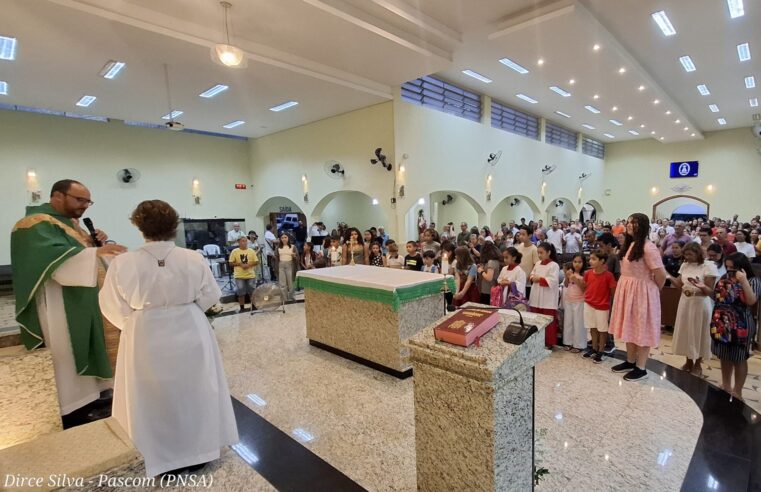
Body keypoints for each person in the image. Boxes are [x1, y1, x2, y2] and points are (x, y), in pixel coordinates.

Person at [99, 200, 237, 477]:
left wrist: (136, 322)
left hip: (144, 332)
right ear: (175, 226)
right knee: (195, 388)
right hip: (190, 325)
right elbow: (211, 294)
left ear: (138, 226)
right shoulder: (192, 258)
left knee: (150, 394)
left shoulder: (123, 262)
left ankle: (158, 454)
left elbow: (111, 304)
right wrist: (187, 312)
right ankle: (200, 449)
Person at [11, 179, 125, 419]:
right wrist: (94, 252)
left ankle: (94, 396)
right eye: (79, 199)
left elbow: (84, 254)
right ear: (58, 196)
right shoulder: (33, 224)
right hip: (59, 301)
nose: (84, 206)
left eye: (87, 201)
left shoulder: (71, 224)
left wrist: (98, 245)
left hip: (83, 297)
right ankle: (73, 406)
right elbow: (52, 259)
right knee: (67, 348)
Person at [609, 213, 667, 382]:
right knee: (630, 326)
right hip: (629, 290)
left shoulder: (648, 247)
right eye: (628, 222)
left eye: (633, 223)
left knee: (642, 328)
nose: (628, 225)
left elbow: (660, 274)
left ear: (642, 226)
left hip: (643, 293)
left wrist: (653, 290)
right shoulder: (631, 244)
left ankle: (641, 367)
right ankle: (630, 361)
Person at [701, 253, 760, 399]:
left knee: (739, 357)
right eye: (727, 267)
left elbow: (751, 301)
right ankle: (726, 384)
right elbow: (717, 296)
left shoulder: (753, 280)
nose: (729, 271)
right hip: (722, 320)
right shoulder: (724, 278)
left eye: (733, 268)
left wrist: (743, 281)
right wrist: (703, 287)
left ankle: (737, 390)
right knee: (724, 355)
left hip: (742, 323)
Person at [668, 243, 717, 377]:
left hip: (700, 302)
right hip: (685, 301)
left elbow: (709, 291)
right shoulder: (685, 265)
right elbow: (679, 284)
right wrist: (668, 276)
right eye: (686, 254)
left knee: (699, 331)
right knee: (687, 331)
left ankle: (698, 363)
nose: (687, 257)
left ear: (698, 253)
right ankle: (688, 361)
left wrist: (700, 285)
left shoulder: (708, 266)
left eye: (690, 254)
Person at [579, 250, 617, 363]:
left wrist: (613, 307)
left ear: (602, 261)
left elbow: (613, 292)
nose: (590, 261)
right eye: (590, 259)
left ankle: (601, 350)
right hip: (589, 303)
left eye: (594, 259)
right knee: (592, 327)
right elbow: (584, 287)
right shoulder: (588, 273)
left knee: (602, 330)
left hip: (602, 306)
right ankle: (594, 348)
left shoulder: (608, 276)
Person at [528, 242, 560, 348]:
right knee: (536, 319)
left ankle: (549, 342)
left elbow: (553, 280)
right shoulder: (537, 264)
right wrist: (533, 277)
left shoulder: (554, 265)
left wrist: (540, 279)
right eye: (538, 253)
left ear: (549, 252)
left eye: (541, 252)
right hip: (536, 295)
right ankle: (537, 340)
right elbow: (532, 274)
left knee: (548, 320)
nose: (539, 255)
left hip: (548, 297)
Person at [562, 254, 587, 352]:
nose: (577, 264)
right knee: (568, 322)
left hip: (579, 301)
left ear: (583, 263)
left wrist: (575, 278)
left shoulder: (585, 274)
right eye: (575, 262)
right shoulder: (570, 272)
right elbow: (566, 284)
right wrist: (567, 276)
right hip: (569, 300)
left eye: (579, 262)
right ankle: (568, 342)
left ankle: (579, 344)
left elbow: (583, 287)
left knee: (578, 323)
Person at [229, 236, 259, 313]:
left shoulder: (251, 251)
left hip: (250, 275)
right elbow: (230, 263)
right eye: (243, 241)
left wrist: (248, 265)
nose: (245, 242)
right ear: (238, 242)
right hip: (239, 275)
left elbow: (256, 261)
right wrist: (239, 264)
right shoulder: (235, 251)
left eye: (246, 241)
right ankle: (242, 308)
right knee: (241, 292)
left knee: (252, 291)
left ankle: (254, 306)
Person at [515, 227, 539, 297]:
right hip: (519, 280)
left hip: (528, 282)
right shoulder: (520, 246)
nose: (520, 236)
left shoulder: (534, 249)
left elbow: (536, 265)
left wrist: (530, 276)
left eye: (523, 234)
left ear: (530, 235)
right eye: (520, 234)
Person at [275, 233, 299, 301]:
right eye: (282, 237)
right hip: (281, 265)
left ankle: (291, 296)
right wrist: (275, 266)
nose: (284, 239)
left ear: (288, 238)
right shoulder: (278, 247)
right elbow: (276, 257)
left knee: (291, 282)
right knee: (282, 283)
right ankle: (284, 298)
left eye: (285, 237)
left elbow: (297, 257)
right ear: (280, 239)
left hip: (290, 264)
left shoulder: (293, 247)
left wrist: (294, 256)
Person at [477, 241, 502, 305]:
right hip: (489, 289)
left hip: (488, 290)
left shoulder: (491, 262)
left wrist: (481, 271)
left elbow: (489, 278)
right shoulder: (495, 261)